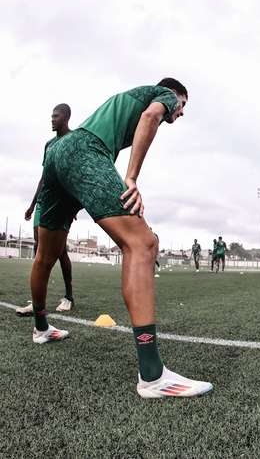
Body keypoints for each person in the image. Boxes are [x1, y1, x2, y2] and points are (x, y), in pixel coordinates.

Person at [27, 78, 212, 397]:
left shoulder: (126, 100)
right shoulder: (164, 94)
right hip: (84, 151)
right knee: (143, 244)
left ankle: (41, 328)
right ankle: (153, 376)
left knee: (45, 256)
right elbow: (150, 116)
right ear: (175, 95)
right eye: (183, 105)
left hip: (60, 156)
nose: (181, 112)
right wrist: (132, 177)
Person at [17, 104, 76, 316]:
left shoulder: (73, 140)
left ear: (66, 117)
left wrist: (74, 204)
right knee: (39, 247)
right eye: (51, 116)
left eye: (56, 116)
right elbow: (44, 177)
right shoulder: (49, 145)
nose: (52, 119)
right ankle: (37, 300)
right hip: (44, 202)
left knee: (60, 251)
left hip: (62, 203)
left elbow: (74, 174)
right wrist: (33, 204)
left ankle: (68, 297)